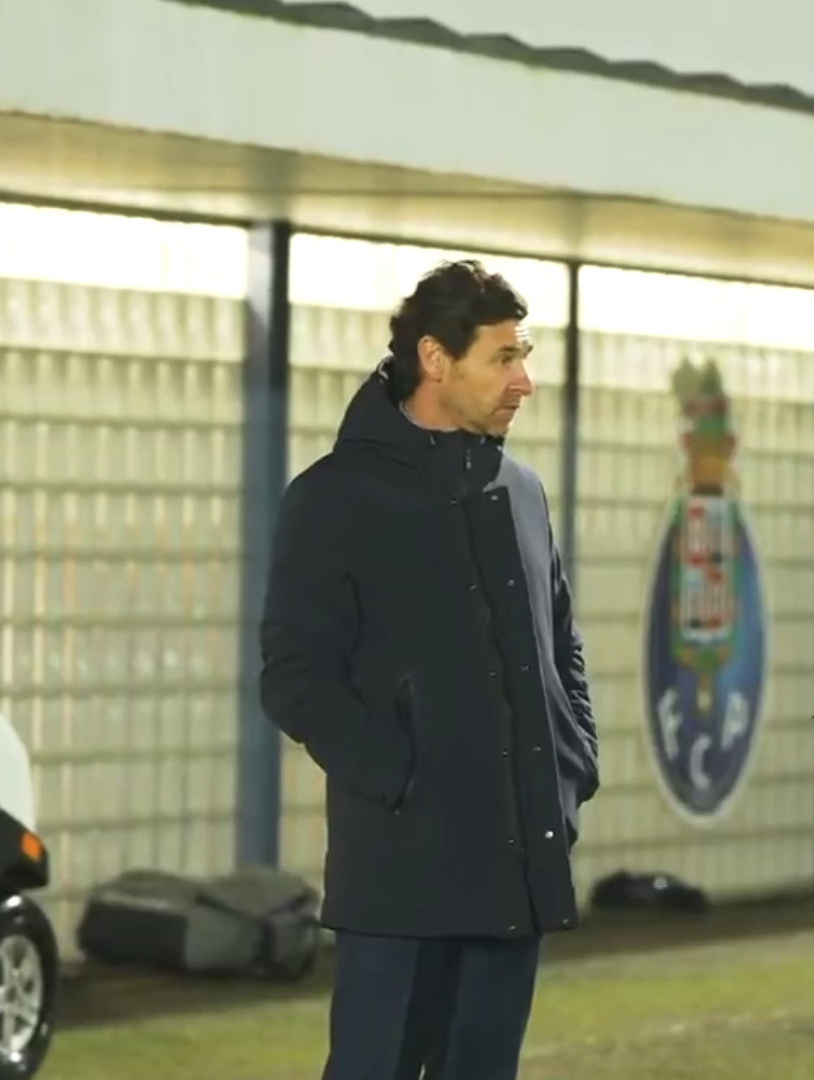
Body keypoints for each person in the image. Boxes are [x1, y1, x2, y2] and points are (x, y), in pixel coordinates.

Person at [259, 259, 600, 1080]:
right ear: (435, 358)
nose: (524, 380)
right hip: (402, 874)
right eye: (504, 357)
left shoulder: (520, 490)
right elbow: (295, 674)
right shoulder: (334, 497)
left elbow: (561, 644)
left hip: (515, 862)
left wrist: (572, 762)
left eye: (525, 355)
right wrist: (397, 771)